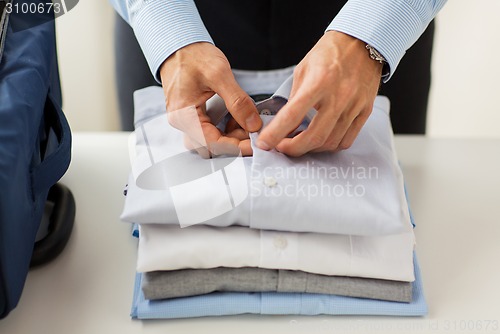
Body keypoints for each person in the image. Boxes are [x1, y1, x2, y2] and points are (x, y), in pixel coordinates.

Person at [111, 0, 447, 157]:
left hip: (377, 40)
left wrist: (371, 35)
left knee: (392, 226)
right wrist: (170, 35)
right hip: (173, 34)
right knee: (171, 222)